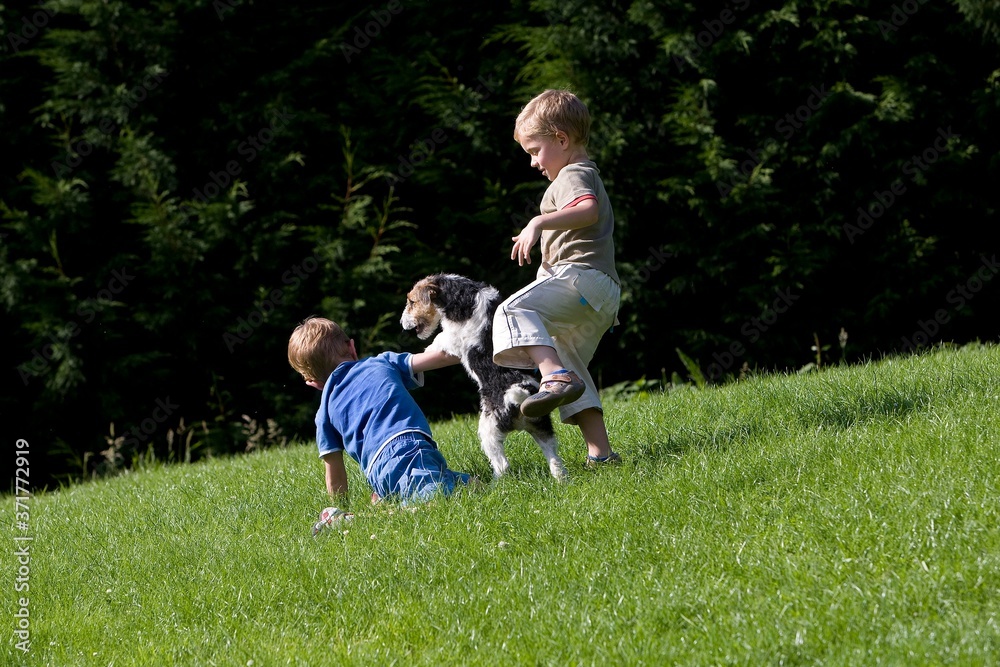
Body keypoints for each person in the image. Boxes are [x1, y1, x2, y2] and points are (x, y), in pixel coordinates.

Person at [492, 88, 622, 468]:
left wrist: (537, 221)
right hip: (597, 293)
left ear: (562, 140)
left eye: (535, 151)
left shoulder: (571, 174)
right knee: (570, 362)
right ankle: (601, 455)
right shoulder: (582, 171)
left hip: (584, 279)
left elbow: (586, 210)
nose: (533, 162)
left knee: (510, 311)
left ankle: (553, 377)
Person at [287, 316, 472, 507]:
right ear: (352, 347)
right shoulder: (382, 362)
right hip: (408, 448)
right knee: (434, 500)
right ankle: (391, 512)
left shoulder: (324, 412)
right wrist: (477, 347)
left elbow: (334, 472)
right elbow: (440, 357)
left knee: (468, 486)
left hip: (376, 471)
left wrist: (341, 508)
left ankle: (384, 502)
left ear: (313, 383)